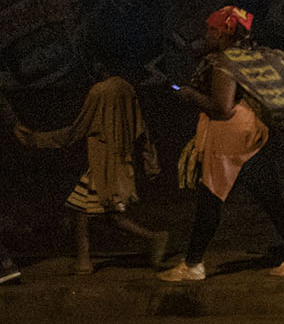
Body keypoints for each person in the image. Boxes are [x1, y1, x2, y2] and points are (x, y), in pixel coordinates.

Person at [158, 7, 284, 283]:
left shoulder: (226, 62)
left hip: (230, 137)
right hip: (251, 131)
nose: (205, 34)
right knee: (270, 196)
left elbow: (222, 108)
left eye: (210, 30)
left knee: (210, 199)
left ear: (223, 34)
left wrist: (191, 95)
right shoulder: (248, 55)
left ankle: (193, 264)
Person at [9, 61, 168, 273]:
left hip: (103, 163)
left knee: (83, 210)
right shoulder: (127, 89)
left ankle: (86, 261)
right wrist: (151, 164)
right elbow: (142, 129)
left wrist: (36, 140)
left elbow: (77, 130)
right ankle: (150, 239)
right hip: (120, 160)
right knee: (102, 213)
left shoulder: (99, 91)